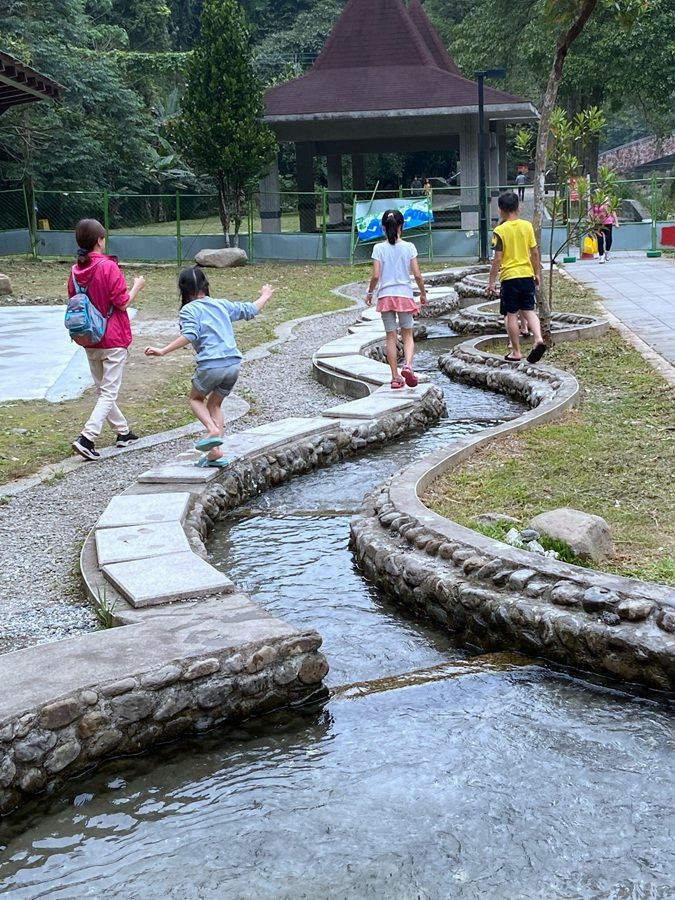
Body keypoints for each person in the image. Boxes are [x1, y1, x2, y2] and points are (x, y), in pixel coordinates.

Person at [144, 267, 274, 466]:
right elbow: (250, 310)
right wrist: (265, 295)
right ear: (205, 285)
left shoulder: (188, 310)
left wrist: (163, 350)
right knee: (215, 404)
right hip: (233, 365)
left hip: (211, 365)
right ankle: (215, 452)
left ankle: (212, 431)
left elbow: (190, 335)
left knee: (196, 399)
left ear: (183, 289)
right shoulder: (220, 305)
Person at [70, 219, 145, 461]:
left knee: (104, 390)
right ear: (100, 241)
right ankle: (87, 438)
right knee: (108, 393)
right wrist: (136, 287)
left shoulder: (75, 271)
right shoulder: (108, 267)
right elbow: (122, 302)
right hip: (112, 339)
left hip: (88, 338)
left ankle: (123, 432)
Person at [365, 209, 427, 389]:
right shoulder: (409, 247)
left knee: (390, 336)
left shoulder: (378, 248)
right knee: (407, 334)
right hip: (404, 295)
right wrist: (423, 293)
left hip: (385, 296)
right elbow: (417, 275)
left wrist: (370, 293)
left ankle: (395, 377)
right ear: (402, 226)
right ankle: (408, 366)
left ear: (383, 227)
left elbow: (376, 275)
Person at [487, 192, 547, 364]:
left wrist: (491, 282)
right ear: (518, 207)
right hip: (526, 275)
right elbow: (534, 252)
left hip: (509, 277)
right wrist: (536, 272)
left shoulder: (499, 231)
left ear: (500, 210)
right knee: (529, 310)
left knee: (511, 314)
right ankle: (538, 339)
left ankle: (516, 351)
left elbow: (497, 258)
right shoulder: (527, 226)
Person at [590, 198, 619, 263]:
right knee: (600, 240)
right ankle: (601, 256)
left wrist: (616, 222)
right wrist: (592, 222)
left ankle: (607, 251)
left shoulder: (607, 202)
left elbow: (613, 212)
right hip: (598, 224)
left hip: (607, 223)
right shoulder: (595, 204)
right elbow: (591, 213)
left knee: (609, 239)